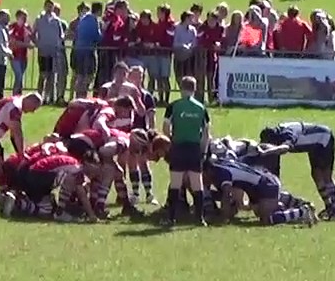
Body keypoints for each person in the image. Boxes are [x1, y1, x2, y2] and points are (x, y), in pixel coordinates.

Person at [0, 92, 45, 212]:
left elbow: (13, 135)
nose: (32, 112)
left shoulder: (15, 102)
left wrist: (19, 152)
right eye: (34, 108)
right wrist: (21, 154)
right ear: (30, 101)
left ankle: (4, 197)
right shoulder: (15, 108)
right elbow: (17, 133)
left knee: (1, 169)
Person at [257, 121, 335, 220]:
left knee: (326, 176)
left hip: (324, 139)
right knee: (316, 175)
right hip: (313, 144)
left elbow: (285, 148)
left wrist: (266, 152)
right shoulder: (279, 133)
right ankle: (329, 207)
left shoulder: (287, 134)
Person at [207, 158, 317, 226]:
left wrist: (223, 217)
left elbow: (227, 195)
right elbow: (236, 195)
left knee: (267, 219)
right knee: (259, 212)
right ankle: (293, 203)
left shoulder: (220, 174)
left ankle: (303, 212)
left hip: (266, 184)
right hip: (261, 184)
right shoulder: (221, 165)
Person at [162, 75, 211, 226]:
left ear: (181, 88)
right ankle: (200, 218)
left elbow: (165, 128)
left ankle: (171, 218)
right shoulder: (201, 108)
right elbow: (206, 134)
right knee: (197, 183)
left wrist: (171, 140)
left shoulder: (173, 106)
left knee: (175, 183)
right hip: (194, 149)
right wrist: (203, 151)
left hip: (178, 147)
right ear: (195, 89)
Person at [127, 65, 158, 205]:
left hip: (142, 133)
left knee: (143, 162)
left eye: (140, 76)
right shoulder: (126, 95)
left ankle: (149, 193)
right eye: (135, 75)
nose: (138, 78)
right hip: (128, 133)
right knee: (132, 163)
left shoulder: (147, 96)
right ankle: (135, 193)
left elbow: (151, 117)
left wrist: (151, 134)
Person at [33, 0, 67, 105]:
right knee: (43, 75)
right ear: (44, 7)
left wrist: (59, 42)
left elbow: (61, 35)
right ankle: (38, 97)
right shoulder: (39, 19)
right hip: (43, 52)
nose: (49, 8)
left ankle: (47, 98)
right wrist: (37, 43)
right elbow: (33, 33)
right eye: (47, 6)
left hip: (53, 52)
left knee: (51, 76)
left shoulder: (56, 20)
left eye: (51, 6)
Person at [8, 9, 32, 96]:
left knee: (21, 77)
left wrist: (27, 43)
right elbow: (12, 42)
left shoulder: (27, 27)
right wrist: (25, 44)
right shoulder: (12, 27)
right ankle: (14, 95)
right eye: (23, 17)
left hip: (24, 56)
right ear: (17, 17)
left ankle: (19, 96)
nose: (25, 19)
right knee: (19, 76)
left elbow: (29, 39)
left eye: (26, 17)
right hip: (14, 56)